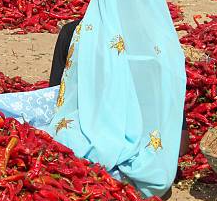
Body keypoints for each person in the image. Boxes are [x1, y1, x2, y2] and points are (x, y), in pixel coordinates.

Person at [0, 0, 187, 197]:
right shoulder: (165, 48)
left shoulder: (75, 33)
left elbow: (58, 96)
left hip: (81, 149)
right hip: (154, 172)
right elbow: (180, 136)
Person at [49, 19, 190, 157]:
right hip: (142, 139)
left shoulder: (74, 32)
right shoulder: (152, 36)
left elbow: (54, 97)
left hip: (81, 138)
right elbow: (181, 145)